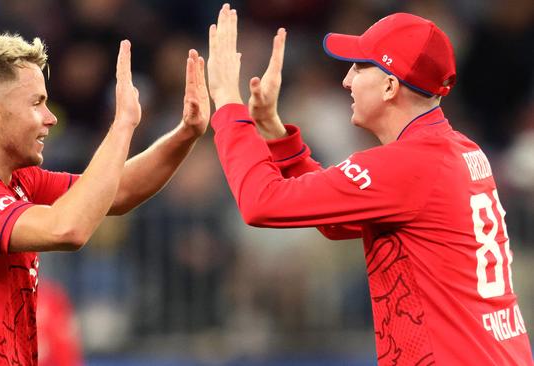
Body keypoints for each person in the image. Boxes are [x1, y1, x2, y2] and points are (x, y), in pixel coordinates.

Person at [206, 4, 533, 365]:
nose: (346, 79)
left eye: (360, 67)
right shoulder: (456, 150)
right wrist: (274, 135)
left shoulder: (408, 165)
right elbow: (334, 220)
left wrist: (227, 106)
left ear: (391, 86)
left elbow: (261, 203)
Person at [0, 32, 209, 364]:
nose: (51, 118)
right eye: (36, 103)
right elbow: (66, 229)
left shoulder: (11, 179)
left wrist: (186, 133)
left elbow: (116, 192)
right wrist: (122, 125)